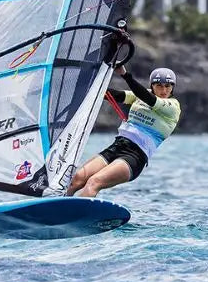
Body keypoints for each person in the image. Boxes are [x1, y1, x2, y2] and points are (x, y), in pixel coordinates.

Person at [65, 64, 180, 198]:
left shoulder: (173, 106)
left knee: (94, 182)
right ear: (152, 86)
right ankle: (57, 207)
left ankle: (80, 211)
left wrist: (125, 75)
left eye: (168, 86)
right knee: (77, 180)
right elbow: (115, 95)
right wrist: (82, 83)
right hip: (117, 146)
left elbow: (148, 98)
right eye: (159, 85)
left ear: (172, 87)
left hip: (135, 156)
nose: (164, 90)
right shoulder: (140, 95)